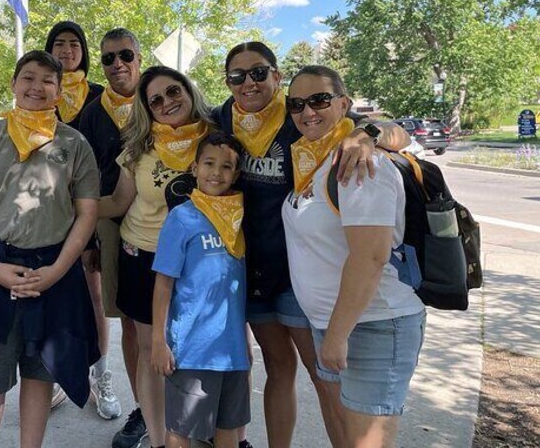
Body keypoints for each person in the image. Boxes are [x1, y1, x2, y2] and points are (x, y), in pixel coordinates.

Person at [213, 41, 410, 447]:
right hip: (253, 268)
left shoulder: (301, 117)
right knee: (278, 368)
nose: (248, 82)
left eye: (259, 72)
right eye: (237, 76)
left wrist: (366, 133)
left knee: (325, 376)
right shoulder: (223, 119)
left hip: (299, 276)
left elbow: (397, 131)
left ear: (276, 75)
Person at [0, 50, 101, 448]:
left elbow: (87, 214)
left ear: (59, 91)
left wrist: (56, 271)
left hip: (54, 273)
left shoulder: (75, 145)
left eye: (48, 81)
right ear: (14, 85)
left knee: (41, 374)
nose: (37, 87)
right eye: (29, 78)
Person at [281, 65, 426, 447]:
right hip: (332, 325)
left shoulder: (363, 162)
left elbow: (371, 257)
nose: (307, 111)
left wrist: (337, 335)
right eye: (296, 104)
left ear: (344, 104)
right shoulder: (314, 160)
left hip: (372, 326)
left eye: (319, 100)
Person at [100, 65, 212, 448]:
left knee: (196, 350)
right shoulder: (138, 148)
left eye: (173, 91)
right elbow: (118, 202)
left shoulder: (216, 139)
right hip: (142, 257)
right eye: (155, 100)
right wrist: (64, 207)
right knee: (152, 351)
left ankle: (199, 432)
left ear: (189, 90)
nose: (167, 103)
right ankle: (161, 437)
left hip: (200, 264)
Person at [151, 132, 251, 448]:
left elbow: (235, 291)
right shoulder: (182, 218)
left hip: (231, 351)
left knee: (228, 429)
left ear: (235, 174)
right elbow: (164, 283)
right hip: (192, 349)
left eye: (226, 167)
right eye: (208, 163)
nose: (216, 173)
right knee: (181, 431)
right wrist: (158, 341)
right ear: (194, 168)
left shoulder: (237, 220)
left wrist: (245, 339)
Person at [45, 20, 119, 417]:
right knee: (53, 292)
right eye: (59, 44)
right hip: (47, 213)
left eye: (75, 44)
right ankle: (57, 374)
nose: (67, 50)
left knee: (95, 296)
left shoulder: (99, 97)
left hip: (91, 209)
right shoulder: (41, 97)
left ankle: (101, 374)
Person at [78, 27, 145, 445]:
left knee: (173, 323)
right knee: (132, 324)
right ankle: (144, 410)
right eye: (108, 58)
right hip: (112, 220)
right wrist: (87, 239)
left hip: (164, 223)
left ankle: (189, 411)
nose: (117, 64)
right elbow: (82, 178)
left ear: (138, 56)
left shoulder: (161, 96)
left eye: (124, 55)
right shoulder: (92, 111)